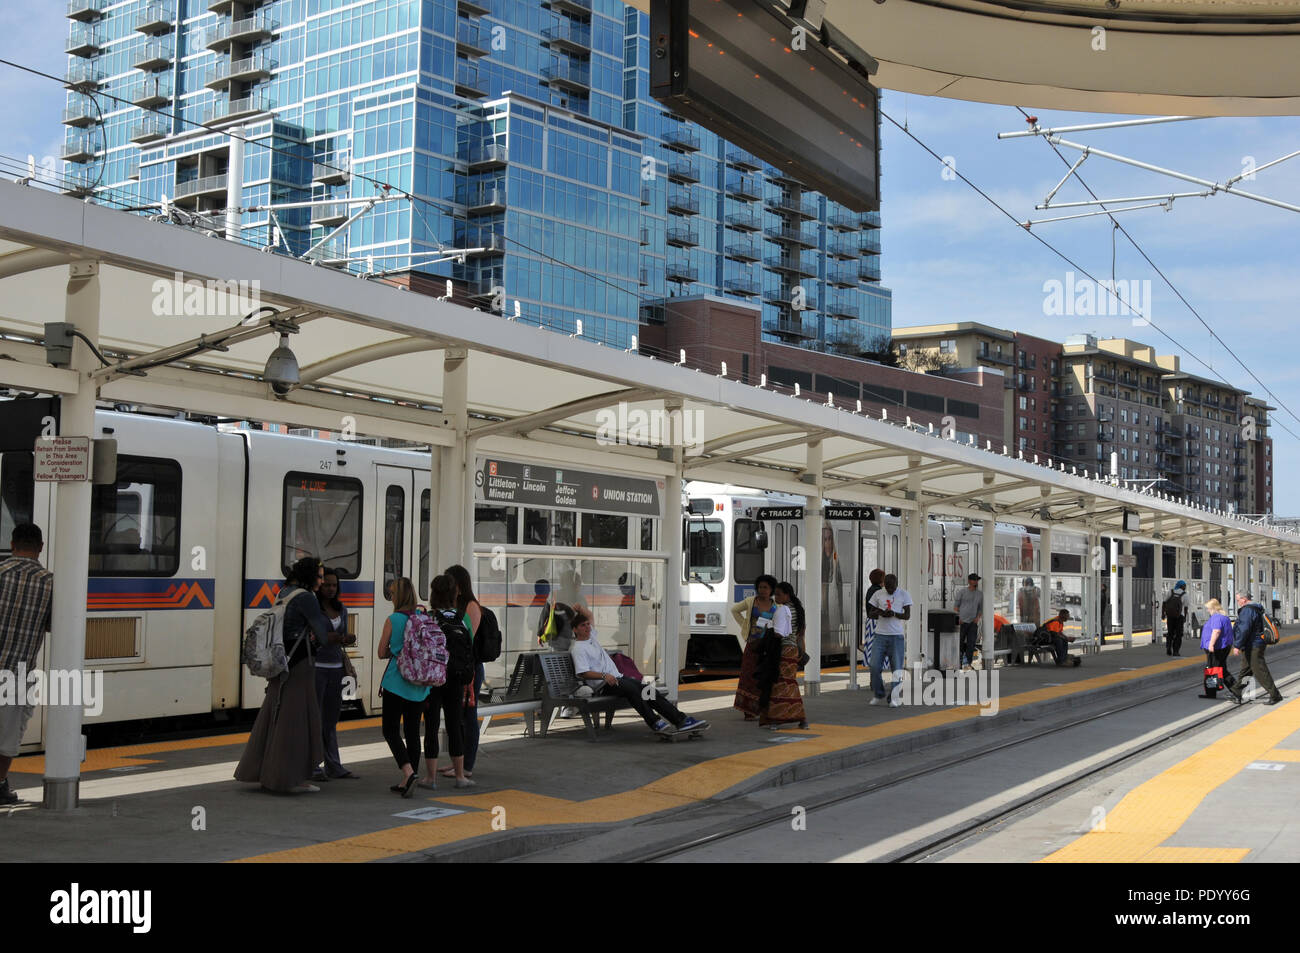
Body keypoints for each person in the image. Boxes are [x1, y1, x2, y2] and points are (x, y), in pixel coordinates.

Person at [235, 557, 331, 793]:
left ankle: (263, 771)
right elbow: (322, 634)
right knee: (295, 721)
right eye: (318, 576)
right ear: (310, 576)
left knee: (274, 716)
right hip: (300, 663)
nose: (321, 581)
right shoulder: (307, 598)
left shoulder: (284, 592)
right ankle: (288, 778)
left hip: (280, 661)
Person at [570, 609, 708, 735]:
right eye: (583, 625)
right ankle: (655, 722)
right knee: (633, 691)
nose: (588, 627)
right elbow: (583, 673)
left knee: (649, 691)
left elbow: (589, 615)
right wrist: (604, 676)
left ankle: (682, 721)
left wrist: (578, 609)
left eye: (588, 624)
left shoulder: (591, 638)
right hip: (603, 686)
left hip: (618, 679)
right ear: (575, 630)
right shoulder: (578, 649)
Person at [0, 524, 54, 806]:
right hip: (17, 674)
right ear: (40, 547)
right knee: (8, 734)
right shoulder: (50, 582)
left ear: (12, 544)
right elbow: (52, 625)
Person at [421, 574, 475, 788]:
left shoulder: (427, 616)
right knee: (454, 725)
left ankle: (430, 778)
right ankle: (460, 776)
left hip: (433, 678)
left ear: (434, 594)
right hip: (456, 678)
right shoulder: (463, 617)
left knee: (432, 726)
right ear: (454, 594)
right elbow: (469, 645)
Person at [376, 576, 427, 797]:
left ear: (397, 596)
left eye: (392, 593)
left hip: (397, 682)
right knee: (413, 732)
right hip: (419, 684)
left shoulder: (393, 619)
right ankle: (410, 777)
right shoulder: (422, 617)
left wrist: (396, 651)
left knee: (390, 729)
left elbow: (381, 652)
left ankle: (407, 772)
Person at [313, 567, 359, 781]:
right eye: (327, 584)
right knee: (314, 717)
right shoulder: (313, 608)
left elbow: (336, 637)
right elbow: (316, 637)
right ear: (320, 586)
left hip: (336, 667)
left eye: (334, 585)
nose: (331, 589)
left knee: (331, 719)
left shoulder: (342, 609)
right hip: (316, 667)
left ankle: (334, 764)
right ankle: (313, 764)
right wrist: (332, 638)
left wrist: (344, 638)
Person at [441, 564, 483, 780]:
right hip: (456, 667)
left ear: (457, 584)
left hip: (470, 669)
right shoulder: (456, 605)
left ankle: (467, 765)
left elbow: (469, 639)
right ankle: (457, 762)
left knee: (469, 716)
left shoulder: (471, 606)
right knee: (457, 717)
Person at [757, 582, 809, 729]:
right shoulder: (798, 610)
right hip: (793, 650)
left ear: (787, 595)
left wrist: (768, 627)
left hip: (783, 650)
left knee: (779, 684)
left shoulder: (783, 610)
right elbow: (801, 635)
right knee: (790, 683)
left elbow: (779, 633)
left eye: (779, 594)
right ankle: (801, 718)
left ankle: (775, 719)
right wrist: (801, 652)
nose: (776, 596)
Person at [732, 574, 779, 720]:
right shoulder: (751, 601)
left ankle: (763, 708)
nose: (762, 590)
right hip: (753, 645)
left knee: (764, 677)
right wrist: (744, 625)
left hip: (768, 647)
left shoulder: (777, 606)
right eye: (760, 587)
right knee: (748, 676)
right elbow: (734, 610)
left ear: (771, 589)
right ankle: (748, 711)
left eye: (765, 587)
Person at [868, 573, 912, 708]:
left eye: (892, 588)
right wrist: (880, 613)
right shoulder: (878, 594)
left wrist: (893, 614)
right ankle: (878, 693)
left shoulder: (904, 595)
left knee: (896, 668)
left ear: (896, 585)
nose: (889, 590)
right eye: (887, 588)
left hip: (896, 636)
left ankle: (893, 697)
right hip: (880, 635)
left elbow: (907, 615)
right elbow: (870, 613)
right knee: (874, 666)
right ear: (884, 585)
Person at [1232, 593, 1283, 705]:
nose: (1238, 602)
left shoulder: (1247, 610)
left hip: (1253, 644)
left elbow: (1244, 629)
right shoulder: (1256, 607)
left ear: (1244, 599)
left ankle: (1275, 695)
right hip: (1254, 643)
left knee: (1260, 670)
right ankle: (1237, 691)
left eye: (1238, 600)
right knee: (1246, 670)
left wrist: (1237, 645)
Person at [1200, 598, 1241, 703]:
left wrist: (1211, 644)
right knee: (1213, 669)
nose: (1208, 611)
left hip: (1217, 648)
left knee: (1218, 669)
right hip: (1223, 647)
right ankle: (1211, 692)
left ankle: (1236, 690)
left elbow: (1216, 631)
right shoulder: (1224, 617)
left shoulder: (1217, 617)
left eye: (1209, 609)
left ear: (1213, 608)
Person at [953, 573, 983, 667]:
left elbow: (980, 608)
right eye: (974, 580)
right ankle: (958, 662)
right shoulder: (962, 592)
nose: (976, 582)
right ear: (969, 581)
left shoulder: (979, 594)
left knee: (971, 644)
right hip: (962, 622)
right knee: (959, 644)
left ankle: (968, 664)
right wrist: (959, 618)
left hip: (973, 623)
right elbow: (956, 607)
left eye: (977, 580)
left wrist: (977, 618)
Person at [862, 568, 885, 672]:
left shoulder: (871, 589)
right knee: (877, 651)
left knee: (872, 650)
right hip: (876, 623)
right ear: (881, 579)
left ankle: (874, 677)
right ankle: (875, 678)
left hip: (871, 623)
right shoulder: (878, 591)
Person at [1161, 581, 1188, 657]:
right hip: (1180, 616)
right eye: (1184, 586)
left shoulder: (1171, 591)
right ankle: (1176, 651)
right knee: (1179, 634)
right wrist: (1185, 617)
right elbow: (1186, 607)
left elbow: (1164, 602)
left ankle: (1168, 647)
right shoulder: (1185, 594)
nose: (1185, 587)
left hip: (1170, 616)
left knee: (1170, 632)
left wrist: (1163, 613)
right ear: (1182, 586)